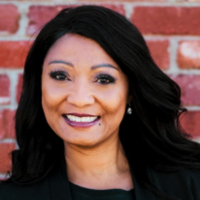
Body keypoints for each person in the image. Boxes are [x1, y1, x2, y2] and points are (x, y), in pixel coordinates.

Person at [1, 5, 200, 200]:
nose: (79, 99)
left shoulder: (191, 185)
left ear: (131, 92)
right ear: (39, 87)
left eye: (103, 79)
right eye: (61, 76)